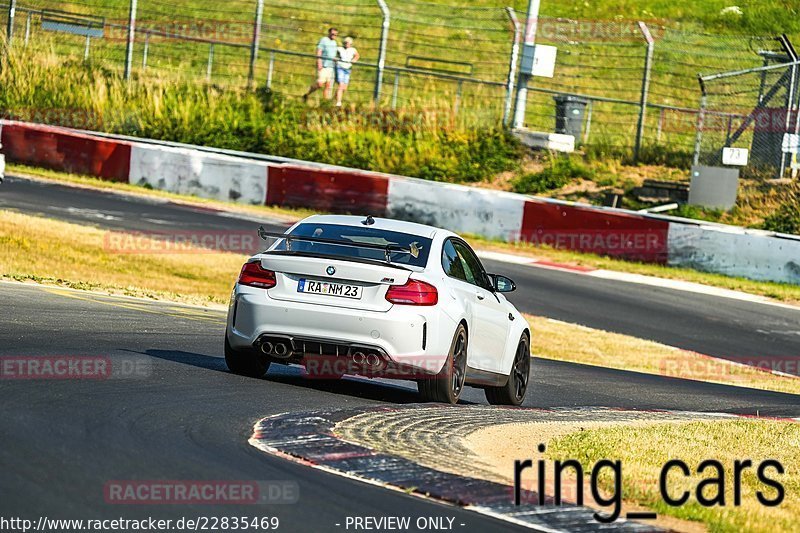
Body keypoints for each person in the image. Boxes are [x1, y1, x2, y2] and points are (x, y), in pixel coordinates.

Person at [303, 28, 339, 101]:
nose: (334, 36)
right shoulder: (324, 40)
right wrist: (319, 63)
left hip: (331, 67)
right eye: (332, 34)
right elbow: (319, 51)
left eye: (335, 35)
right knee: (320, 84)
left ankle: (325, 102)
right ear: (329, 33)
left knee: (328, 86)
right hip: (323, 65)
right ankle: (307, 94)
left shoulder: (334, 43)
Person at [335, 36, 360, 107]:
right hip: (340, 67)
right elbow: (335, 55)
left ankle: (335, 98)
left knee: (344, 87)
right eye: (346, 43)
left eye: (348, 43)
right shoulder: (339, 49)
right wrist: (336, 59)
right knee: (341, 85)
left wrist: (354, 60)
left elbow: (357, 55)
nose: (347, 44)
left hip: (348, 68)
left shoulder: (353, 50)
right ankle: (338, 102)